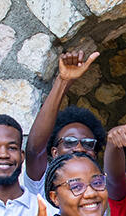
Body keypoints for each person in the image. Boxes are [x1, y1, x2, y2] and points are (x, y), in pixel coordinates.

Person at [24, 50, 106, 196]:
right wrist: (63, 81)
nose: (79, 148)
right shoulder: (44, 183)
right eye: (69, 142)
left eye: (88, 143)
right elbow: (34, 150)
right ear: (54, 152)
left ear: (94, 154)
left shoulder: (101, 188)